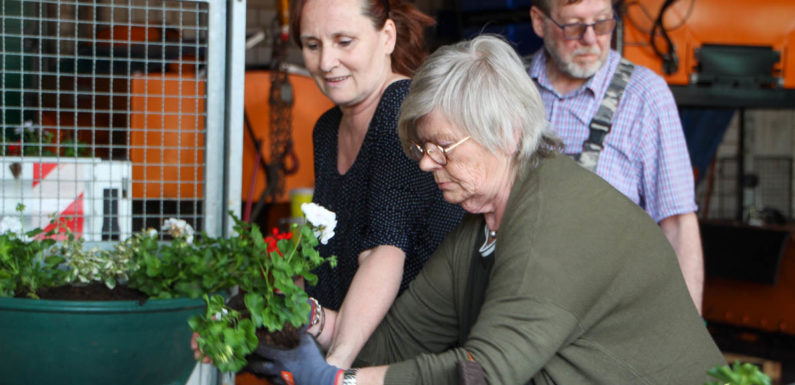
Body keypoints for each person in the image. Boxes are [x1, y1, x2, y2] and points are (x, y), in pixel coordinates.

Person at [248, 35, 726, 385]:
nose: (427, 162)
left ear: (508, 132)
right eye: (421, 147)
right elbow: (396, 343)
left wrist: (337, 382)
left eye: (442, 146)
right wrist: (300, 319)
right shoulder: (479, 230)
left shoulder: (553, 217)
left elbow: (486, 372)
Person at [285, 0, 464, 369]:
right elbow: (329, 253)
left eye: (344, 41)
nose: (326, 62)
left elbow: (385, 251)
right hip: (353, 339)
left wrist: (332, 372)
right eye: (312, 45)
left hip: (410, 358)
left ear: (387, 37)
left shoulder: (403, 112)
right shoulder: (328, 128)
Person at [527, 0, 705, 313]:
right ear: (539, 22)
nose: (591, 38)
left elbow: (677, 224)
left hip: (607, 316)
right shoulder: (509, 87)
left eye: (603, 22)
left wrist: (688, 334)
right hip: (518, 305)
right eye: (574, 25)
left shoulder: (646, 96)